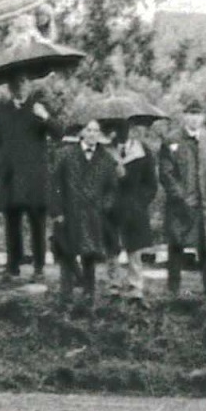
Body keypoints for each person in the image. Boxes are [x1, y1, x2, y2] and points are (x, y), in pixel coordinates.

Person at [0, 75, 57, 282]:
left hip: (35, 178)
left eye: (22, 82)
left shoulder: (39, 107)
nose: (19, 87)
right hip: (11, 177)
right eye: (14, 83)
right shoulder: (1, 110)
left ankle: (39, 268)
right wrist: (3, 162)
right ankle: (13, 267)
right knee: (12, 224)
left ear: (28, 84)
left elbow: (59, 133)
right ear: (9, 86)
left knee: (37, 224)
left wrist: (45, 117)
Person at [49, 118, 121, 300]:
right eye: (89, 130)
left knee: (89, 254)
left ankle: (89, 295)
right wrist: (57, 211)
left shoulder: (106, 159)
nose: (92, 134)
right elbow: (53, 185)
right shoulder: (65, 154)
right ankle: (65, 296)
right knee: (67, 253)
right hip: (68, 213)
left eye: (96, 131)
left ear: (100, 135)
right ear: (82, 133)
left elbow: (112, 189)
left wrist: (104, 206)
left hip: (93, 215)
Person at [105, 121, 157, 300]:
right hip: (110, 206)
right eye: (118, 128)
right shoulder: (105, 151)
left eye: (125, 128)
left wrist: (140, 202)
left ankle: (135, 287)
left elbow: (151, 183)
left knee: (134, 247)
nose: (122, 133)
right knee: (111, 246)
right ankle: (114, 285)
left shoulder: (142, 151)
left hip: (133, 206)